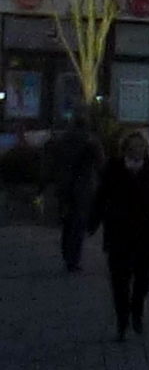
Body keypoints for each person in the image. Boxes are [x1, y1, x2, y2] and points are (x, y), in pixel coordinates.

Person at [94, 128, 149, 340]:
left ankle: (136, 310)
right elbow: (102, 196)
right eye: (132, 147)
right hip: (119, 231)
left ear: (145, 149)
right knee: (119, 279)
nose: (136, 150)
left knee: (143, 278)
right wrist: (93, 222)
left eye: (140, 146)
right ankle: (122, 319)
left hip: (146, 232)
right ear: (125, 148)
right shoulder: (113, 167)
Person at [48, 118, 100, 275]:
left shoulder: (62, 140)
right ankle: (74, 259)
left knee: (68, 222)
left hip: (65, 185)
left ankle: (67, 255)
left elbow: (53, 162)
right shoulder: (91, 141)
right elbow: (100, 161)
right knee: (79, 223)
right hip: (83, 186)